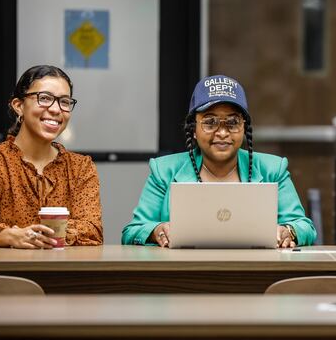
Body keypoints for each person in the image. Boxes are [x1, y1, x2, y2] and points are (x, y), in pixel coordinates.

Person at [121, 75, 316, 248]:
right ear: (193, 130)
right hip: (183, 275)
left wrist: (288, 231)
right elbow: (132, 231)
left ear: (244, 128)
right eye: (210, 122)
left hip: (256, 275)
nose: (222, 133)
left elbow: (305, 226)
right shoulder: (164, 170)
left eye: (232, 122)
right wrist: (157, 231)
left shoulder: (273, 169)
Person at [0, 65, 103, 248]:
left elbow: (92, 230)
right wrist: (13, 237)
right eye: (44, 98)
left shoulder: (81, 167)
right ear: (19, 106)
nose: (56, 109)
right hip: (6, 272)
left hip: (66, 273)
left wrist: (40, 235)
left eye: (65, 102)